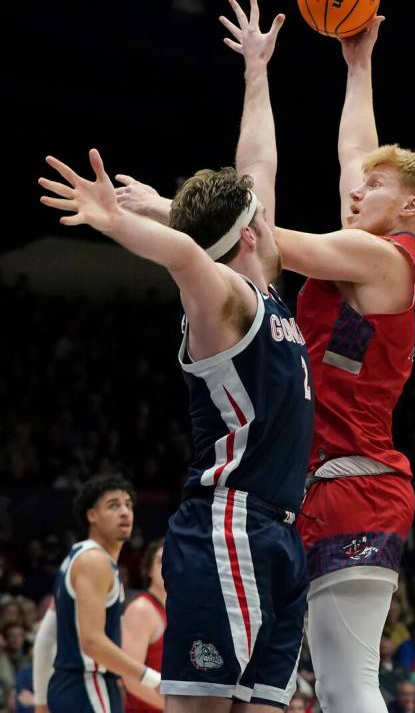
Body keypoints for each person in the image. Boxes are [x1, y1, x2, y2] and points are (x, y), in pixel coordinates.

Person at [114, 0, 415, 713]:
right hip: (311, 486)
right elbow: (354, 156)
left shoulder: (388, 258)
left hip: (351, 477)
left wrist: (166, 215)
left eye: (376, 189)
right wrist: (357, 67)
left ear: (410, 208)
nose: (357, 190)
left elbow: (257, 234)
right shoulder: (366, 249)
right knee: (301, 687)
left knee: (344, 680)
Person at [38, 151, 314, 712]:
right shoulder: (224, 297)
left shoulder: (270, 296)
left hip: (281, 532)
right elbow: (188, 254)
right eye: (264, 212)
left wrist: (257, 71)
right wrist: (118, 220)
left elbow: (259, 161)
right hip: (230, 524)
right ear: (253, 233)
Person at [32, 473, 163, 713]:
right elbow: (92, 642)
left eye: (128, 505)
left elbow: (47, 635)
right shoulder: (95, 562)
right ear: (92, 515)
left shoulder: (76, 556)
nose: (125, 512)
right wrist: (153, 678)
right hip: (89, 687)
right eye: (113, 506)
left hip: (70, 689)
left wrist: (41, 701)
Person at [123, 539, 166, 712]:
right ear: (148, 569)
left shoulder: (181, 610)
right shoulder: (142, 610)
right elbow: (130, 678)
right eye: (161, 561)